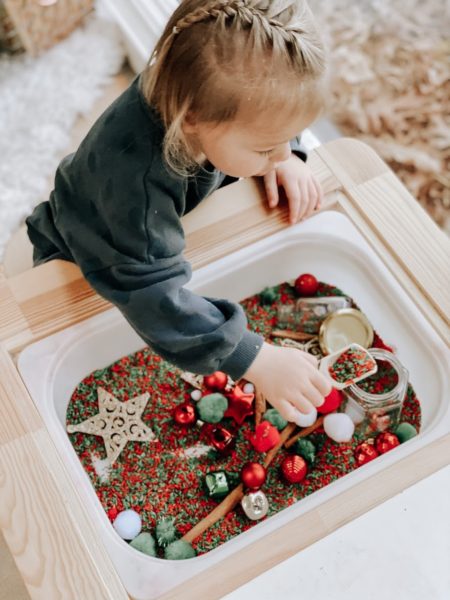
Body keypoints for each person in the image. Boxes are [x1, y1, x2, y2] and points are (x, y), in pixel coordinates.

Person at [26, 0, 331, 424]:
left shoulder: (192, 82)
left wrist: (286, 157)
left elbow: (270, 112)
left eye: (285, 137)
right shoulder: (138, 185)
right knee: (68, 335)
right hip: (83, 251)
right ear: (193, 118)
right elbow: (153, 296)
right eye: (265, 146)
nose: (280, 152)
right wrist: (255, 358)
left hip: (151, 229)